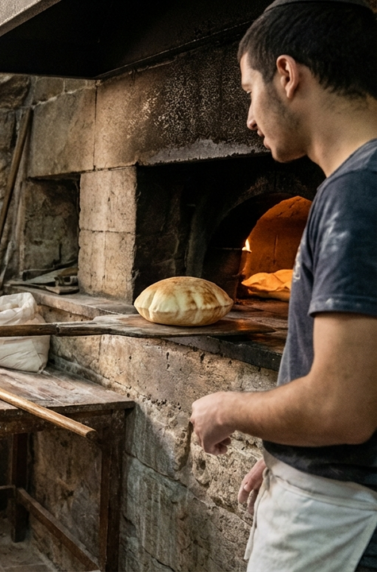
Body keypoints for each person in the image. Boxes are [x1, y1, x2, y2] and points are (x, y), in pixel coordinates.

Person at [189, 0, 377, 570]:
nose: (249, 117)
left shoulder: (355, 194)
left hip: (338, 521)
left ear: (288, 75)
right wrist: (290, 453)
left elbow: (342, 408)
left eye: (250, 90)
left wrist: (227, 407)